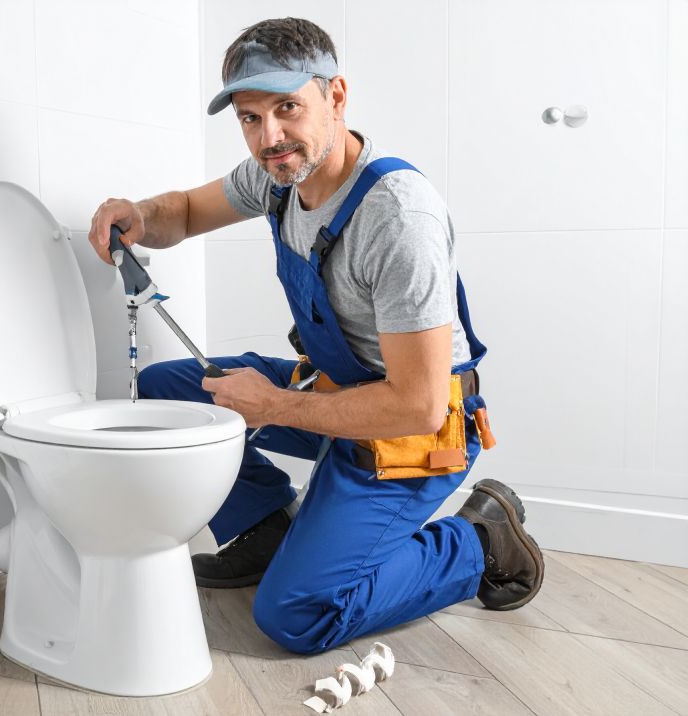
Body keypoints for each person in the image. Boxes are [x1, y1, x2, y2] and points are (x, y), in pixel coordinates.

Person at [88, 17, 543, 655]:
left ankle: (477, 542)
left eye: (286, 108)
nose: (268, 136)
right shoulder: (280, 178)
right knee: (167, 391)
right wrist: (138, 214)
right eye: (249, 117)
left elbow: (417, 402)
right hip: (335, 391)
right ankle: (269, 527)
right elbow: (184, 212)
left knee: (297, 616)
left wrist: (272, 405)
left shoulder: (397, 216)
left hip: (414, 428)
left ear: (335, 96)